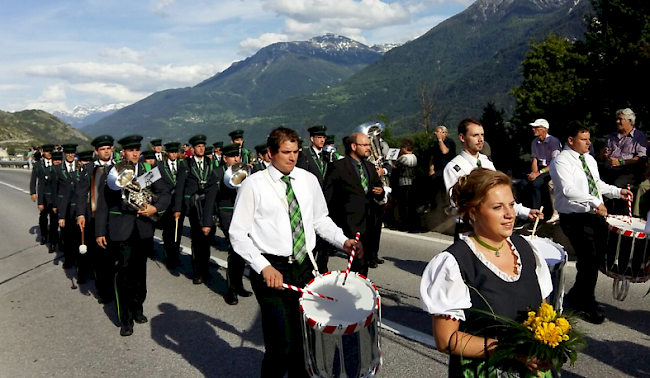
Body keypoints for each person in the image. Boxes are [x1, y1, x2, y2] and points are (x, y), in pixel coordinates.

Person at [229, 126, 360, 378]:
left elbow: (320, 219)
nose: (292, 157)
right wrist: (262, 266)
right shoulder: (254, 185)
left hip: (306, 268)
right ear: (270, 153)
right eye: (286, 152)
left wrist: (343, 241)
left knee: (305, 344)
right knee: (281, 347)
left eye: (296, 152)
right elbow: (237, 234)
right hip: (272, 269)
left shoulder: (308, 180)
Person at [420, 168, 554, 377]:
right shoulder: (455, 263)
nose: (509, 214)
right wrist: (511, 352)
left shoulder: (527, 250)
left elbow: (544, 310)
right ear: (473, 212)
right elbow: (447, 340)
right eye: (498, 207)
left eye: (511, 205)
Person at [550, 121, 632, 324]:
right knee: (589, 259)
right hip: (574, 217)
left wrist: (617, 192)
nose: (588, 143)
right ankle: (587, 303)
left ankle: (577, 295)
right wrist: (595, 202)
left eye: (588, 138)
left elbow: (596, 185)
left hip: (592, 215)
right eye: (583, 139)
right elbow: (568, 191)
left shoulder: (589, 159)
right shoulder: (561, 162)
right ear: (571, 140)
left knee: (593, 259)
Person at [95, 135, 171, 336]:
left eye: (137, 149)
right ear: (123, 153)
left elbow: (165, 193)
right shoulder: (113, 173)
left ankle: (138, 307)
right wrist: (100, 231)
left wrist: (155, 208)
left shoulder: (148, 172)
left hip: (143, 228)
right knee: (124, 272)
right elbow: (103, 205)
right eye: (131, 150)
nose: (135, 153)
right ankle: (125, 317)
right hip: (121, 229)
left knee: (139, 272)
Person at [444, 118, 542, 237]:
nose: (480, 140)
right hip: (469, 230)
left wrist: (526, 212)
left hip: (491, 227)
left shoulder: (487, 162)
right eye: (475, 135)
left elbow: (500, 196)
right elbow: (458, 205)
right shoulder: (454, 167)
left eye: (482, 135)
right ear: (462, 138)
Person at [324, 132, 384, 275]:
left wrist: (380, 191)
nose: (368, 148)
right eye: (364, 145)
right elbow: (328, 196)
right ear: (353, 146)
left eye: (368, 145)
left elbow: (378, 187)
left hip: (369, 221)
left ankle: (357, 288)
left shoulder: (369, 167)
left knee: (363, 264)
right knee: (358, 260)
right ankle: (352, 290)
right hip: (348, 222)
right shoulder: (338, 167)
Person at [76, 135, 116, 303]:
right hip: (95, 218)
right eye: (102, 149)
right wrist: (80, 214)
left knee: (115, 257)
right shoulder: (89, 169)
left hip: (116, 219)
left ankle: (115, 287)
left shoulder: (119, 167)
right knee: (101, 258)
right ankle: (104, 291)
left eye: (108, 148)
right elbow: (80, 193)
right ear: (96, 151)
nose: (106, 152)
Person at [174, 135, 219, 285]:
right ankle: (198, 271)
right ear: (193, 149)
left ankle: (205, 268)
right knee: (197, 239)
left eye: (203, 146)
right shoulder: (185, 164)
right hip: (193, 206)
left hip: (208, 204)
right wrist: (178, 208)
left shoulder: (210, 163)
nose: (201, 149)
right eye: (198, 146)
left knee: (207, 238)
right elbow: (180, 188)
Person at [214, 144, 253, 305]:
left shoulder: (245, 172)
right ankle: (231, 291)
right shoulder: (217, 173)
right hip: (227, 214)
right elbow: (213, 198)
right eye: (232, 157)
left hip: (244, 214)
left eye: (237, 156)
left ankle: (239, 285)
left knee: (243, 252)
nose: (236, 159)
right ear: (225, 158)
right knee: (234, 251)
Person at [599, 108, 647, 215]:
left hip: (629, 172)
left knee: (616, 184)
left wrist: (621, 162)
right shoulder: (612, 137)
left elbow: (641, 158)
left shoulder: (639, 137)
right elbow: (601, 157)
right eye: (617, 119)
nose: (617, 122)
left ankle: (616, 215)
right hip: (609, 170)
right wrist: (603, 153)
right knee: (596, 182)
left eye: (620, 119)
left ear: (629, 121)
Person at [524, 119, 562, 223]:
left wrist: (538, 173)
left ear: (544, 129)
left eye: (536, 127)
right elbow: (535, 160)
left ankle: (537, 216)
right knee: (524, 182)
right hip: (541, 169)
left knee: (536, 184)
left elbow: (555, 163)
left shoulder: (554, 142)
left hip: (552, 169)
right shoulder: (534, 142)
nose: (533, 129)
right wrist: (533, 174)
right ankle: (527, 213)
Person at [158, 142, 186, 269]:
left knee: (177, 230)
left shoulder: (182, 165)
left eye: (176, 152)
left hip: (179, 203)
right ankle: (169, 254)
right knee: (168, 231)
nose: (174, 154)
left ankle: (174, 256)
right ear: (167, 153)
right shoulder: (160, 166)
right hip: (166, 203)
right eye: (171, 152)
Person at [54, 143, 81, 271]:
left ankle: (78, 260)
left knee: (78, 236)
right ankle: (68, 259)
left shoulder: (80, 167)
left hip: (79, 207)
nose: (70, 155)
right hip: (65, 207)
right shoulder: (58, 169)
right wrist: (59, 211)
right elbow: (56, 190)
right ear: (64, 154)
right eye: (67, 153)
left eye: (72, 153)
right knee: (67, 236)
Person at [30, 144, 58, 252]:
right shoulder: (38, 165)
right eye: (47, 151)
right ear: (43, 152)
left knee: (54, 219)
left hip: (54, 196)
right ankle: (43, 235)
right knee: (43, 216)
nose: (49, 153)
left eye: (50, 151)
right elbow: (33, 180)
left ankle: (53, 241)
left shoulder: (57, 163)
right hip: (43, 195)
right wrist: (33, 193)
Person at [427, 126, 456, 210]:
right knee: (430, 180)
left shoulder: (450, 142)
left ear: (444, 133)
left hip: (448, 168)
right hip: (437, 169)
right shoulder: (435, 144)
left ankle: (450, 203)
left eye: (439, 132)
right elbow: (432, 157)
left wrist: (440, 140)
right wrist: (431, 168)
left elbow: (444, 151)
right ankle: (432, 205)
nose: (436, 134)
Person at [394, 138, 418, 231]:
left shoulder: (403, 158)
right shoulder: (414, 157)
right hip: (412, 182)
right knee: (410, 205)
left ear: (405, 148)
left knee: (403, 205)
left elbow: (396, 166)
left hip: (403, 182)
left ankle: (404, 225)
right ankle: (411, 225)